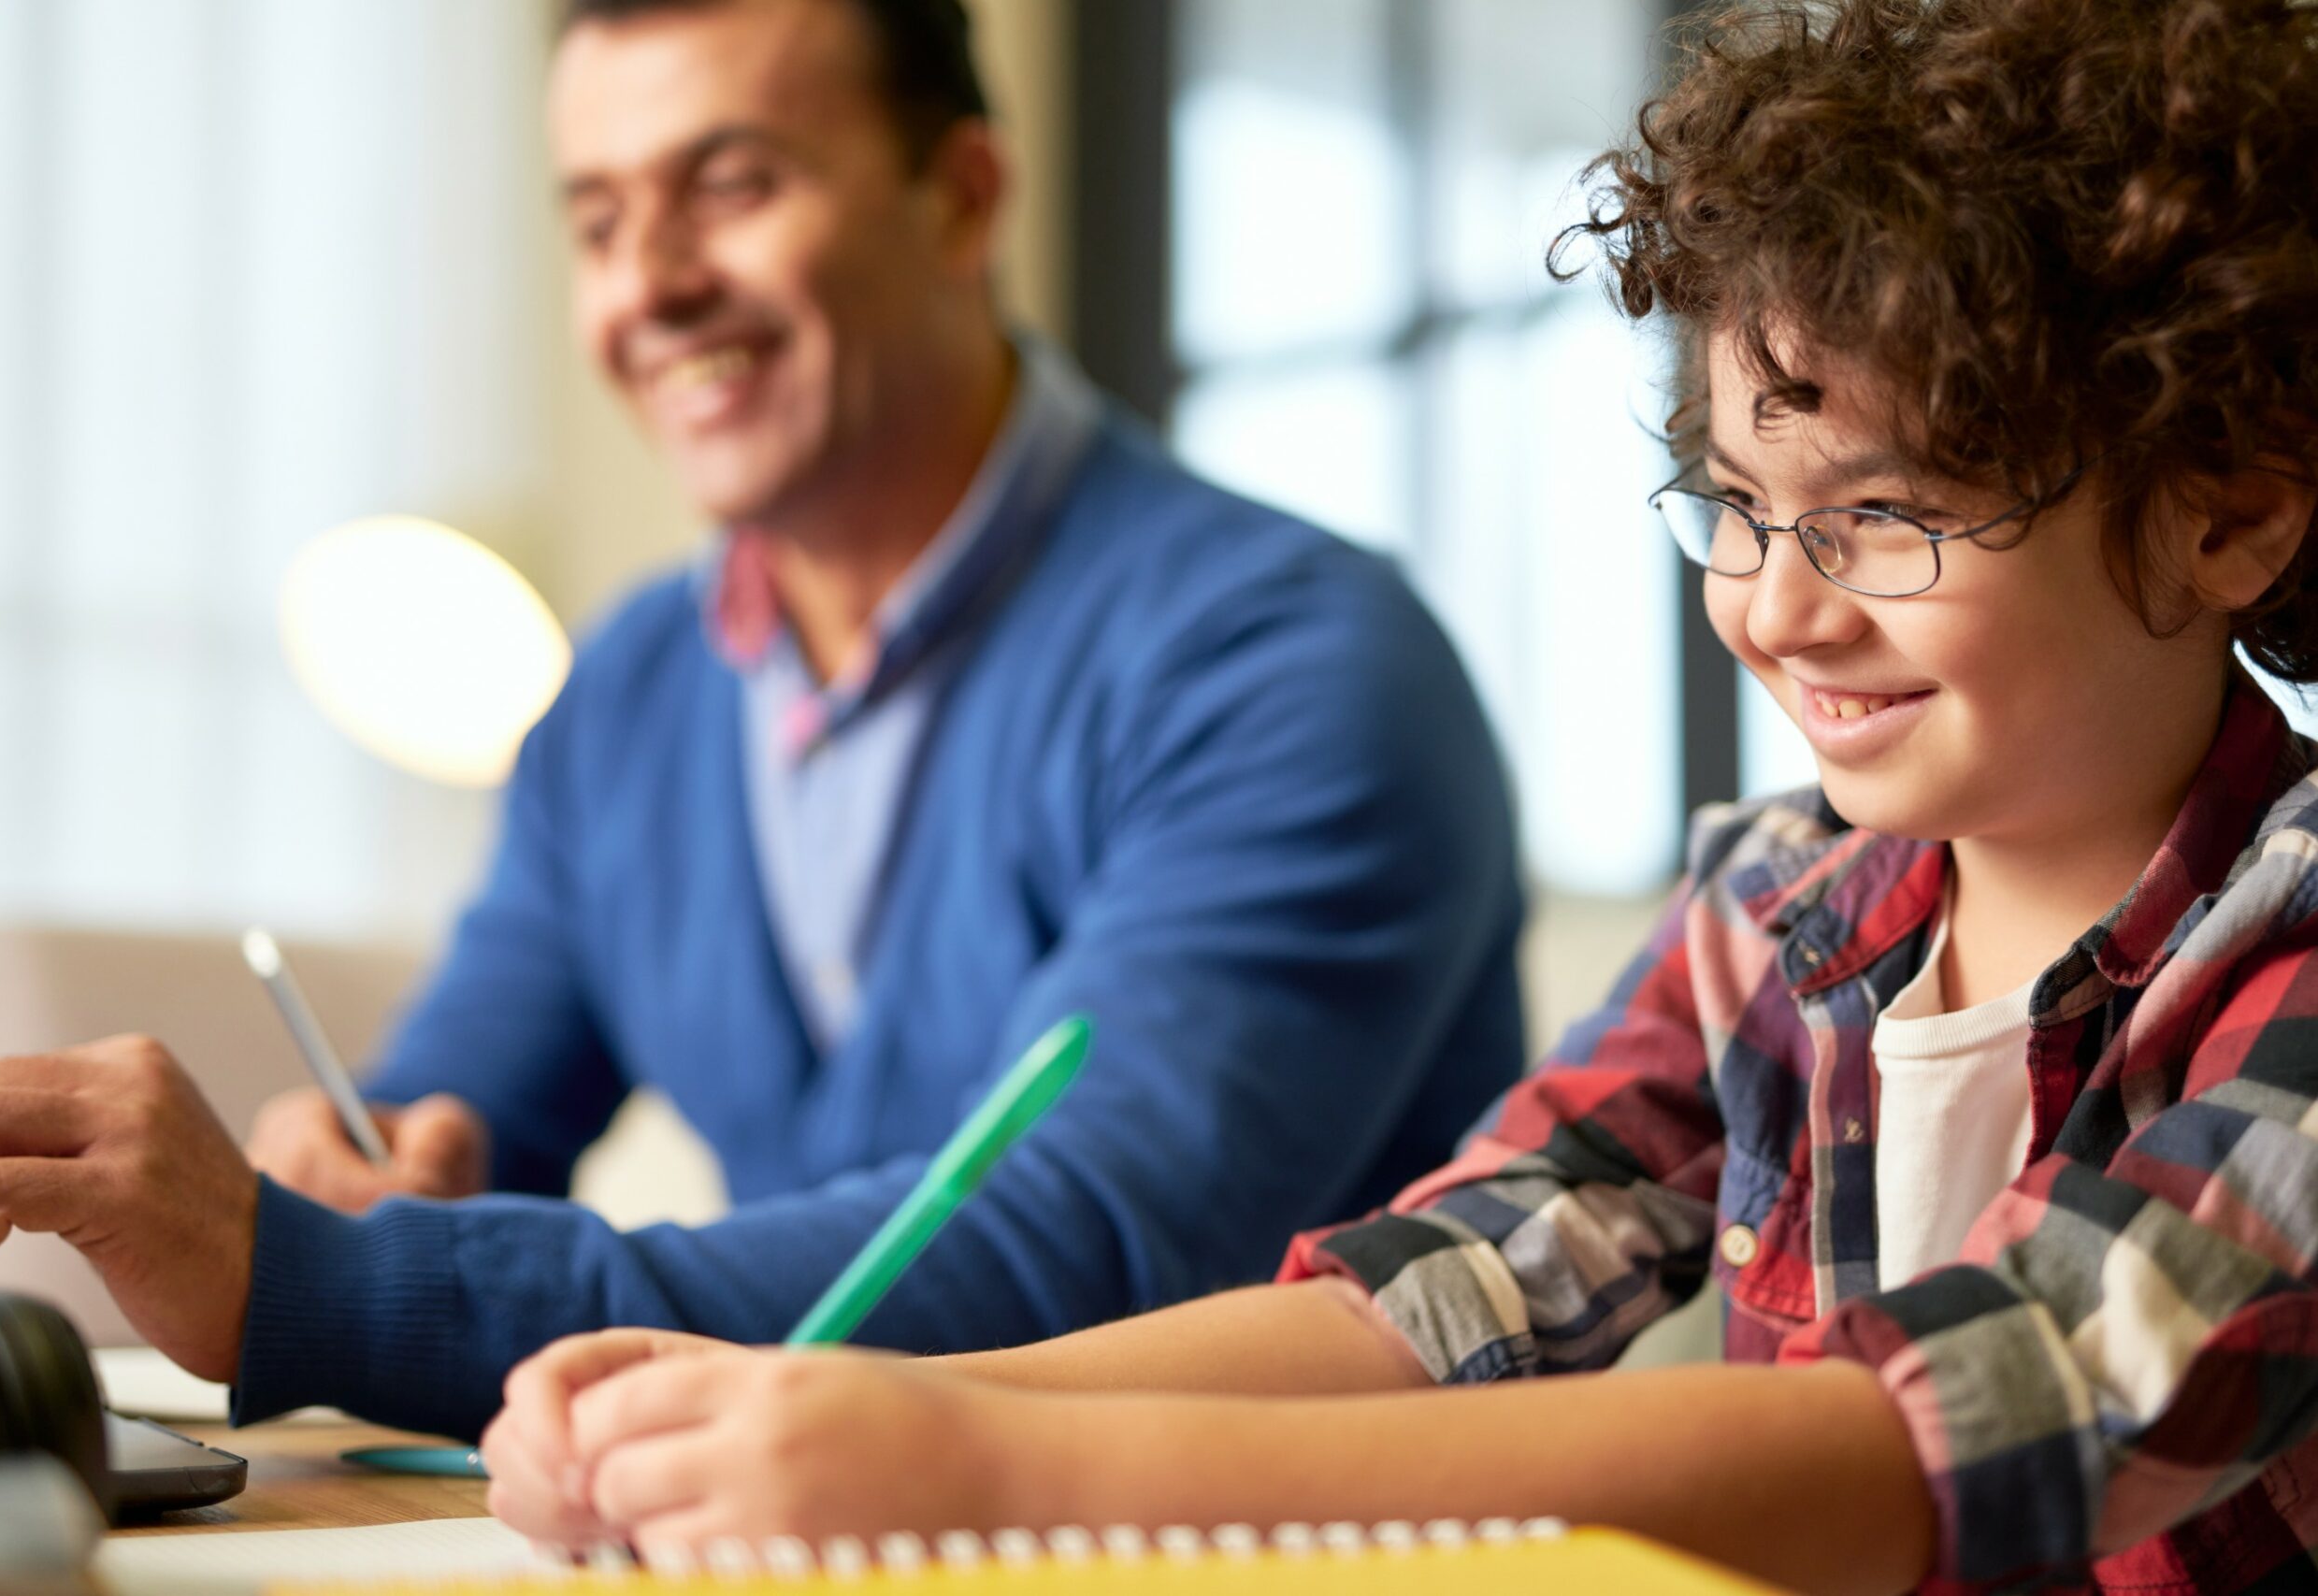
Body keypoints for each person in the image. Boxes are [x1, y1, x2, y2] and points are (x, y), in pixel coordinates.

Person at [474, 0, 2318, 1589]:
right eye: (1738, 509)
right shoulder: (1776, 905)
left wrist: (1001, 1479)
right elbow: (1438, 1288)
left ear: (2225, 505)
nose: (1773, 602)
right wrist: (801, 1404)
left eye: (1884, 516)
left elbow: (1913, 1448)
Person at [0, 0, 1523, 1439]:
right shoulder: (625, 695)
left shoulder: (1296, 660)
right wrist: (386, 1164)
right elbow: (459, 1104)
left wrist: (317, 1279)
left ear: (961, 198)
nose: (654, 285)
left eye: (733, 186)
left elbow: (1083, 1251)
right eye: (601, 221)